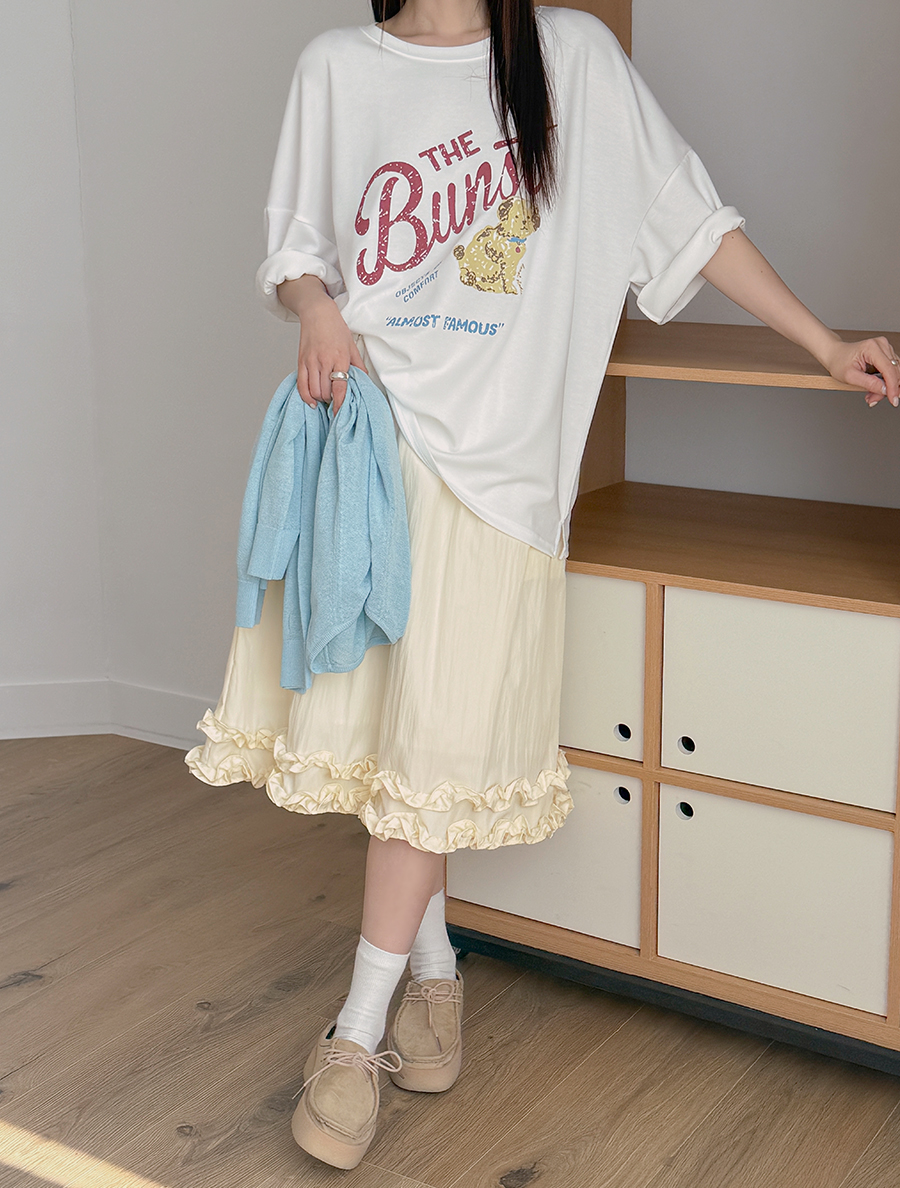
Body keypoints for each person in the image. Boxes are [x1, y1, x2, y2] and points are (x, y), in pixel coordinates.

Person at [185, 0, 900, 1171]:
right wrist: (315, 309)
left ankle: (355, 1033)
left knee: (434, 750)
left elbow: (688, 220)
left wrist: (822, 343)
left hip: (502, 482)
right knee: (396, 747)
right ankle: (435, 973)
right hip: (369, 449)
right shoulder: (338, 68)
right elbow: (295, 247)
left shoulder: (572, 59)